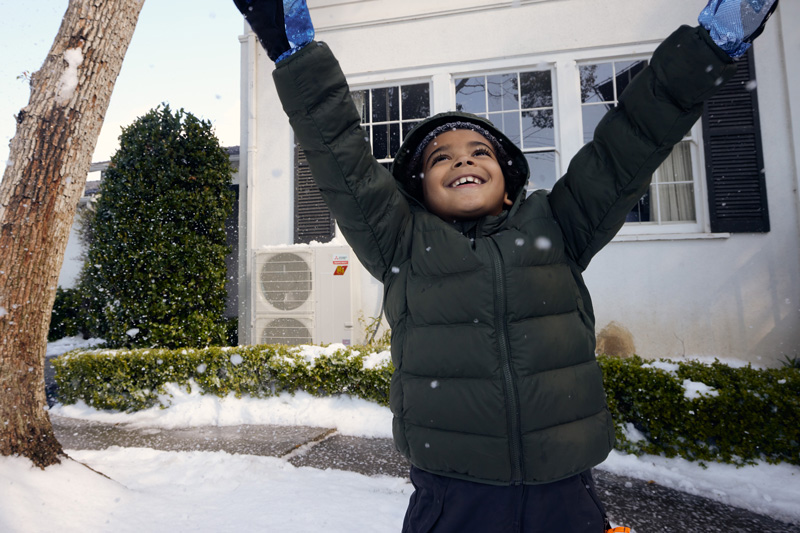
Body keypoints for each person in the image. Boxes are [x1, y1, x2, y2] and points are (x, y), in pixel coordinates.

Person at [230, 1, 779, 531]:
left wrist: (710, 45)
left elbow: (631, 141)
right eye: (440, 157)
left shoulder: (557, 225)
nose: (462, 159)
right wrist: (294, 53)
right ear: (418, 188)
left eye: (479, 152)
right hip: (454, 499)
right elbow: (339, 149)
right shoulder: (400, 241)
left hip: (566, 496)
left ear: (509, 178)